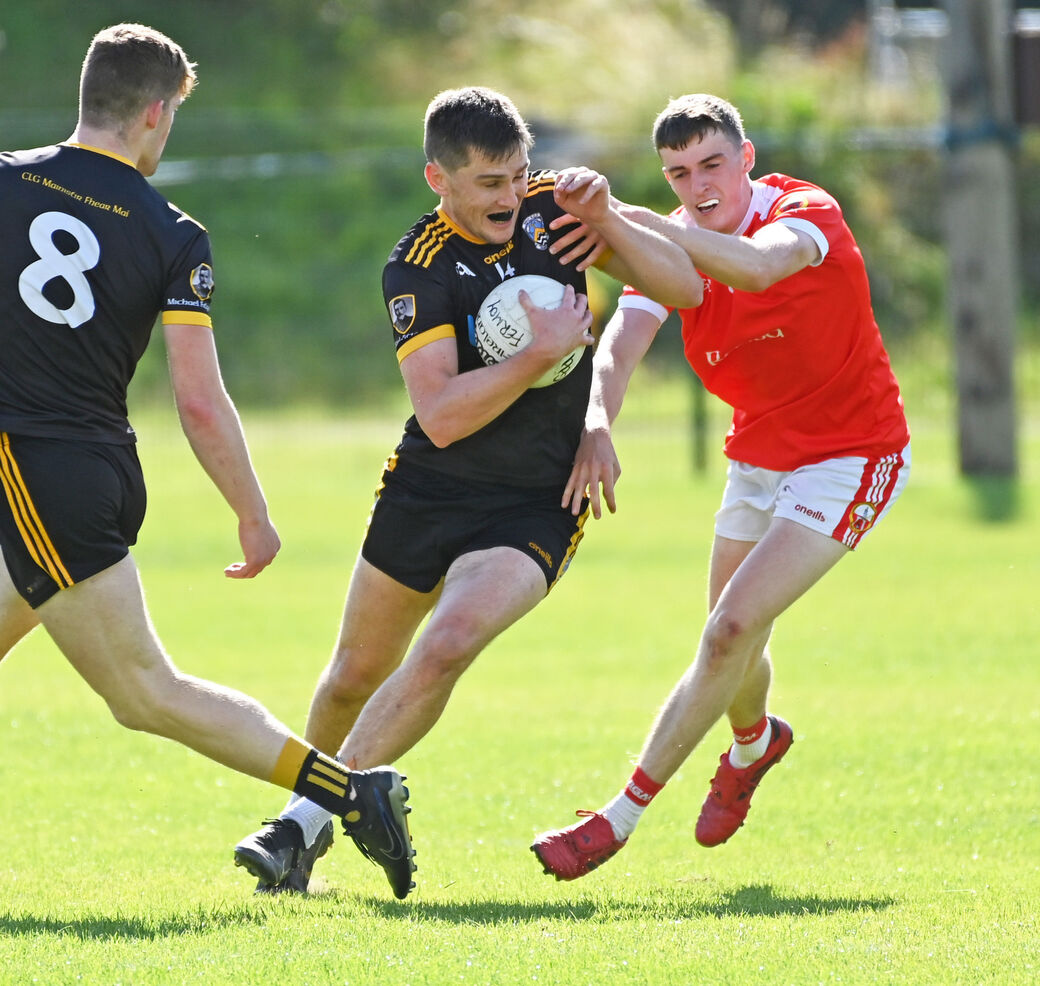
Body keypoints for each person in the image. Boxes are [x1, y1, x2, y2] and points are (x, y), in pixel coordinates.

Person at [0, 23, 416, 915]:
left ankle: (351, 794)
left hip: (43, 478)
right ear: (154, 112)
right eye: (174, 117)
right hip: (91, 469)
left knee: (147, 695)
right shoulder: (172, 231)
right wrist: (252, 509)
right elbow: (197, 400)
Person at [232, 86, 702, 893]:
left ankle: (297, 825)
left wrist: (612, 220)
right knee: (352, 675)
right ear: (438, 180)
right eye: (488, 183)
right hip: (431, 488)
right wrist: (535, 356)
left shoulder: (557, 214)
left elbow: (686, 289)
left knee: (446, 645)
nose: (510, 197)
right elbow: (442, 415)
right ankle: (308, 847)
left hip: (537, 502)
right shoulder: (413, 268)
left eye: (518, 175)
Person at [531, 93, 911, 880]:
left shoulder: (802, 210)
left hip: (852, 452)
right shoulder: (674, 244)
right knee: (737, 638)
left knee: (728, 633)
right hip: (759, 456)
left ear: (746, 156)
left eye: (711, 164)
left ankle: (617, 817)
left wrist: (629, 219)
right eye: (678, 173)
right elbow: (620, 346)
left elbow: (762, 267)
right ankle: (755, 741)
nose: (699, 185)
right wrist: (597, 420)